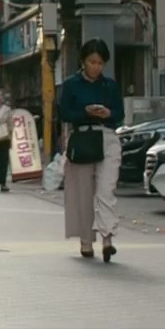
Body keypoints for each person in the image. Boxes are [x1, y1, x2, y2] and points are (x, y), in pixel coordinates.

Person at [58, 39, 127, 262]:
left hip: (107, 137)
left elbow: (120, 113)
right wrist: (85, 112)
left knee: (106, 189)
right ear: (83, 61)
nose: (96, 67)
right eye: (92, 62)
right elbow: (64, 113)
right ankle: (86, 241)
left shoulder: (110, 85)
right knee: (83, 192)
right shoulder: (71, 84)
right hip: (82, 138)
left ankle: (107, 239)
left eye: (100, 63)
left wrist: (108, 113)